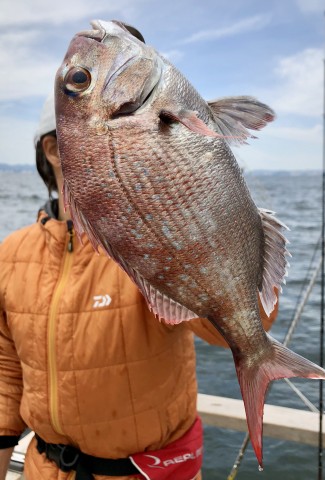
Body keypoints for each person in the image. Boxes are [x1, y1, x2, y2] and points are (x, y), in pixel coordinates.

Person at [0, 95, 278, 480]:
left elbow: (242, 324)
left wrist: (207, 201)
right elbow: (6, 375)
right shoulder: (11, 253)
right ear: (54, 149)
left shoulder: (152, 243)